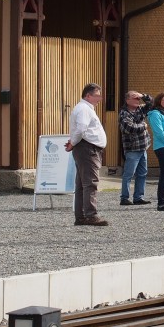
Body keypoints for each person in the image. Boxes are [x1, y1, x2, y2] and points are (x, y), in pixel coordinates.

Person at [66, 83, 108, 227]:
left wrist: (73, 142)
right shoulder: (84, 109)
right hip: (87, 148)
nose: (99, 98)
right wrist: (73, 142)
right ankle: (90, 215)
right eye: (97, 95)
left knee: (82, 184)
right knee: (90, 183)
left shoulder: (83, 108)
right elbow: (81, 129)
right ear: (88, 96)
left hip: (84, 148)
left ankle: (82, 216)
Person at [118, 91, 151, 206]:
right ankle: (124, 198)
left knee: (142, 173)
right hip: (132, 148)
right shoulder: (124, 113)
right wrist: (143, 125)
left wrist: (143, 96)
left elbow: (151, 103)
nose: (138, 100)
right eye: (135, 98)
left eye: (138, 99)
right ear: (127, 100)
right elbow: (129, 128)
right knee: (129, 174)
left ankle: (138, 197)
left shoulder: (140, 109)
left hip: (143, 147)